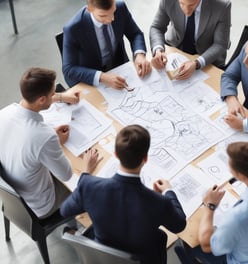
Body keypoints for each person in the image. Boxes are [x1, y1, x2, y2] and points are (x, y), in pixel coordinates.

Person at [60, 124, 186, 263]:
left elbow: (65, 210)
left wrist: (85, 175)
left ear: (116, 154)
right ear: (145, 159)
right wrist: (168, 191)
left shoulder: (89, 186)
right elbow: (179, 225)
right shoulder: (159, 202)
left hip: (104, 255)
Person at [0, 67, 99, 219]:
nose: (54, 94)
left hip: (16, 191)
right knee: (95, 181)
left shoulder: (4, 113)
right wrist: (87, 169)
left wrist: (61, 97)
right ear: (41, 99)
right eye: (52, 93)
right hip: (43, 203)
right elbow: (66, 175)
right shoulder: (44, 136)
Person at [62, 0, 151, 89]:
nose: (111, 19)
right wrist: (102, 77)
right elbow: (69, 69)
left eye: (113, 12)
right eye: (103, 16)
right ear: (89, 9)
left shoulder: (121, 7)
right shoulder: (73, 28)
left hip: (120, 68)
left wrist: (139, 55)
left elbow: (135, 34)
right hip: (92, 77)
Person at [149, 0, 231, 80]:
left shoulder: (222, 6)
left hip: (207, 57)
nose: (187, 12)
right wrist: (158, 50)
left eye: (191, 5)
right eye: (181, 3)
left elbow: (220, 44)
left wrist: (196, 63)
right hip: (175, 49)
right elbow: (157, 27)